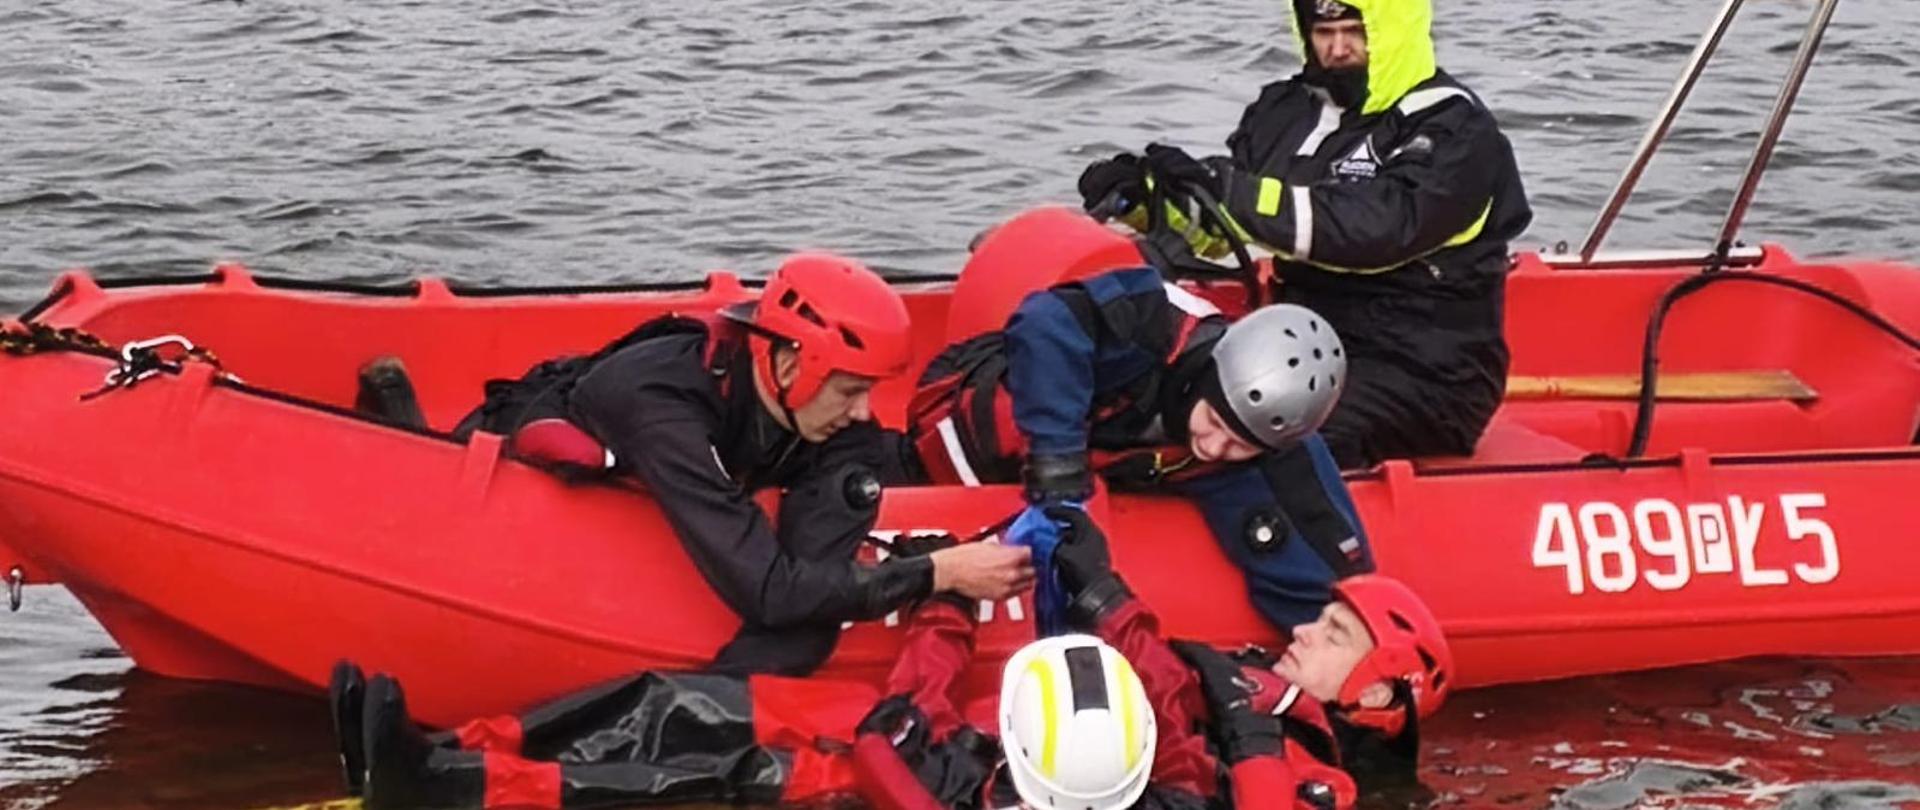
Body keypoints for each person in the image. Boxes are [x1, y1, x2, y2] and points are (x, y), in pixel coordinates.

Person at [328, 515, 1452, 810]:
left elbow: (1198, 753)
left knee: (707, 752)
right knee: (692, 700)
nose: (1312, 630)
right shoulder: (1258, 687)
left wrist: (1104, 610)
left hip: (975, 769)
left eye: (1339, 634)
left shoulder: (1312, 769)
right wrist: (1107, 594)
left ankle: (451, 787)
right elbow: (1167, 680)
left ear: (1388, 700)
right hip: (993, 747)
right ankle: (450, 749)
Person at [439, 253, 1033, 677]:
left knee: (804, 631)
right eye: (849, 389)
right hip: (541, 429)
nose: (863, 412)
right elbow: (771, 593)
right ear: (786, 360)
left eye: (869, 391)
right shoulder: (661, 406)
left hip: (745, 456)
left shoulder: (833, 424)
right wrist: (939, 572)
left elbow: (803, 610)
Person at [1078, 0, 1533, 469]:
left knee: (1258, 441)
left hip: (1424, 372)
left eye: (1355, 30)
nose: (1338, 48)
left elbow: (1375, 231)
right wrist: (1149, 202)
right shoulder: (1283, 112)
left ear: (1394, 26)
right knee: (1142, 392)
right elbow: (1226, 229)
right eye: (1323, 32)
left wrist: (1234, 190)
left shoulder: (1454, 128)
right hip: (1292, 347)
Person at [895, 265, 1373, 630]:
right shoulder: (1148, 319)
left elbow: (1335, 559)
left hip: (1129, 460)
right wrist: (1058, 464)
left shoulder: (1274, 439)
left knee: (1276, 523)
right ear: (1207, 378)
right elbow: (1046, 321)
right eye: (1214, 422)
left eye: (1239, 445)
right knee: (1012, 410)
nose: (1213, 445)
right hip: (992, 413)